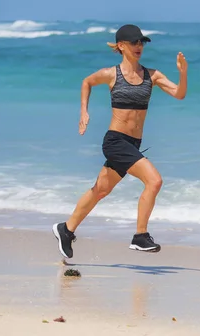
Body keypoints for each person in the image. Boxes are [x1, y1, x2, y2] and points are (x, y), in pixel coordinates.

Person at [52, 24, 188, 259]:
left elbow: (179, 93)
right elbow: (87, 82)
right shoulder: (111, 74)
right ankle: (140, 236)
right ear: (122, 46)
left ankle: (66, 229)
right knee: (154, 181)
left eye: (141, 43)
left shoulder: (152, 75)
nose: (139, 47)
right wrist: (83, 111)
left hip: (132, 144)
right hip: (115, 141)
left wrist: (183, 73)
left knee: (100, 190)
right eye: (134, 43)